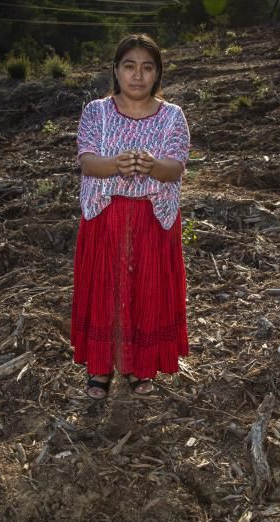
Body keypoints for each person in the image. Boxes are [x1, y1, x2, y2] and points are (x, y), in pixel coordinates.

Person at [72, 33, 191, 399]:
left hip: (153, 219)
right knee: (105, 288)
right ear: (116, 71)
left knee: (146, 290)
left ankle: (142, 367)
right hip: (105, 215)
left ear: (157, 74)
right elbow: (87, 160)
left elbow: (175, 168)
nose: (137, 75)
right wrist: (115, 165)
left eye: (146, 67)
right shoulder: (96, 111)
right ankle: (100, 369)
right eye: (129, 66)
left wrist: (153, 166)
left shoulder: (172, 117)